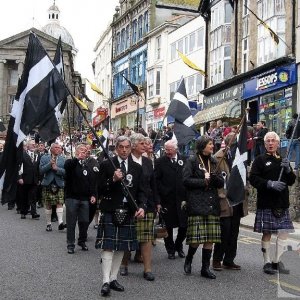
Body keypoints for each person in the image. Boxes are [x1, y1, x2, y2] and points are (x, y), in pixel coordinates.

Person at [96, 136, 146, 297]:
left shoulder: (137, 168)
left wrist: (142, 207)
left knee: (121, 247)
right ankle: (105, 281)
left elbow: (142, 191)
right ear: (116, 148)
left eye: (127, 147)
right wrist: (113, 179)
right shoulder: (106, 164)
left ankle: (113, 278)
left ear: (131, 148)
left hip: (128, 210)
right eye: (121, 147)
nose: (124, 150)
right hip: (111, 208)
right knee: (109, 245)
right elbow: (99, 189)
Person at [249, 131, 296, 275]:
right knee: (267, 233)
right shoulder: (259, 160)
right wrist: (269, 183)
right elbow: (253, 179)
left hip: (282, 202)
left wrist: (288, 170)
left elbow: (292, 181)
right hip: (266, 202)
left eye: (273, 141)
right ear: (264, 144)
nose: (270, 143)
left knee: (283, 234)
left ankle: (276, 262)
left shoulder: (283, 160)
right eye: (268, 141)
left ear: (277, 143)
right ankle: (267, 262)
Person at [182, 136, 223, 279]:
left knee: (210, 238)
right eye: (210, 144)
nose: (212, 146)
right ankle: (189, 259)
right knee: (196, 239)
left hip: (212, 204)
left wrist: (215, 179)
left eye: (212, 144)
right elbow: (186, 180)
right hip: (197, 203)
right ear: (202, 146)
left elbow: (220, 183)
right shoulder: (192, 161)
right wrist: (203, 182)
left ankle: (205, 268)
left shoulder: (214, 161)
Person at [119, 134, 159, 281]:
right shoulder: (125, 161)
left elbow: (153, 184)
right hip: (128, 204)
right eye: (142, 143)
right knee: (127, 235)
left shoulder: (148, 162)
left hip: (146, 204)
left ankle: (148, 269)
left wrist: (157, 202)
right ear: (134, 146)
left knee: (146, 237)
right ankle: (123, 264)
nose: (145, 145)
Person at [212, 133, 248, 271]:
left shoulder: (241, 156)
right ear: (228, 144)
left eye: (236, 145)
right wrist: (220, 194)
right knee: (224, 232)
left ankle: (229, 259)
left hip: (238, 199)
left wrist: (245, 188)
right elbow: (214, 179)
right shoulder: (217, 158)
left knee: (234, 233)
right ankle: (216, 259)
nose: (235, 147)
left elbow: (245, 176)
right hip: (224, 200)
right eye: (233, 145)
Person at [154, 139, 188, 259]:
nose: (167, 152)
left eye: (170, 150)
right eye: (166, 149)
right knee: (167, 226)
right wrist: (158, 200)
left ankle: (179, 245)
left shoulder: (185, 159)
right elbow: (156, 182)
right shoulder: (159, 162)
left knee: (184, 226)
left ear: (176, 149)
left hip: (182, 200)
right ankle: (170, 249)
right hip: (166, 199)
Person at [64, 144, 97, 254]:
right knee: (71, 222)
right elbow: (67, 167)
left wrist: (93, 195)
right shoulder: (71, 162)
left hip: (84, 198)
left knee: (84, 222)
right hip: (72, 198)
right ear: (77, 151)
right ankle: (70, 244)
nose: (84, 152)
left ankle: (82, 241)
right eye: (82, 150)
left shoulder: (87, 166)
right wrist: (77, 158)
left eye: (86, 151)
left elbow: (91, 182)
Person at [39, 143, 66, 231]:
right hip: (48, 183)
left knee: (60, 203)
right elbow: (41, 171)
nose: (59, 149)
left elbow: (66, 172)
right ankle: (48, 224)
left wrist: (57, 169)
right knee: (48, 204)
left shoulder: (63, 159)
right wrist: (50, 164)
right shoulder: (44, 157)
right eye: (56, 147)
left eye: (59, 147)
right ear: (51, 149)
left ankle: (60, 223)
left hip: (59, 183)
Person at [18, 140, 40, 220]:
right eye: (32, 144)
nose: (34, 145)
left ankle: (34, 213)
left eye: (35, 144)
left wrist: (39, 179)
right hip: (25, 179)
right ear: (28, 146)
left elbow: (38, 169)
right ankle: (23, 212)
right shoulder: (22, 155)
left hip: (34, 180)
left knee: (33, 196)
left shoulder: (37, 155)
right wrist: (19, 177)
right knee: (24, 196)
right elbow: (19, 167)